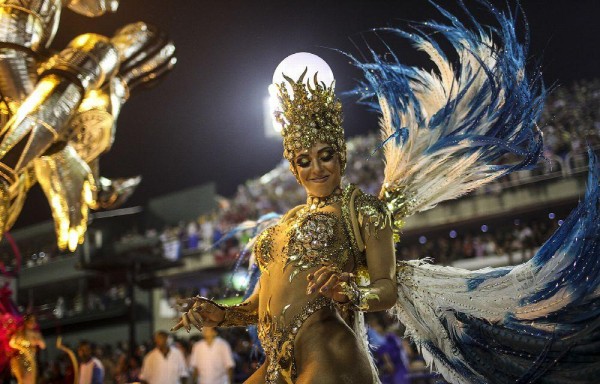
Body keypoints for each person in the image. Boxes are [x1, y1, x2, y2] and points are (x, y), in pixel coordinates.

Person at [174, 2, 600, 383]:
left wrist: (351, 292)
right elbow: (262, 303)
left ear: (341, 155)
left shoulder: (364, 211)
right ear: (293, 167)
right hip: (277, 363)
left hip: (328, 354)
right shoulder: (283, 224)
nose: (317, 167)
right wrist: (224, 314)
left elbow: (386, 288)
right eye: (305, 160)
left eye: (326, 155)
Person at [9, 314, 46, 384]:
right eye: (30, 321)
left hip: (31, 359)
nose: (32, 323)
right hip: (21, 359)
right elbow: (12, 343)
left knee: (31, 379)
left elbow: (43, 345)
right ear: (26, 322)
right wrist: (22, 348)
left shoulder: (36, 334)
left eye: (34, 321)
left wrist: (38, 341)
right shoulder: (20, 332)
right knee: (22, 380)